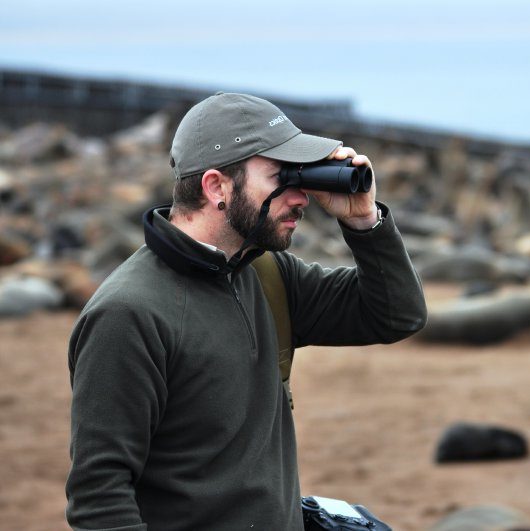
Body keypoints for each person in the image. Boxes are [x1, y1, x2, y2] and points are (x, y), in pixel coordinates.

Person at [66, 92, 427, 530]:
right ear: (217, 186)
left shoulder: (267, 275)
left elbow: (396, 315)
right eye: (283, 175)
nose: (302, 197)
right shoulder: (129, 313)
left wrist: (364, 220)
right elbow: (100, 498)